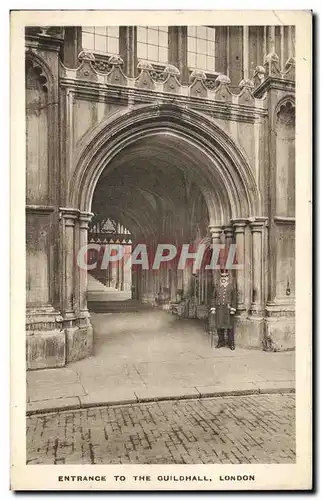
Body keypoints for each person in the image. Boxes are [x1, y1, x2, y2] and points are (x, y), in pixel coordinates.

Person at [208, 269, 237, 350]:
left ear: (228, 277)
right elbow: (213, 297)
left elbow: (234, 298)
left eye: (226, 276)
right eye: (222, 276)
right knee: (219, 326)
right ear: (220, 277)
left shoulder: (231, 286)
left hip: (228, 309)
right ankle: (221, 342)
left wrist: (233, 308)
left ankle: (231, 343)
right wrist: (213, 307)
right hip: (219, 309)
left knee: (229, 327)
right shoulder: (217, 286)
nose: (224, 278)